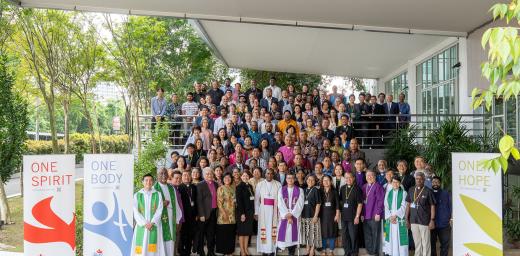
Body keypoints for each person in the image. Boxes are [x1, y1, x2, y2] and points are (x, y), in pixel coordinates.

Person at [131, 174, 165, 256]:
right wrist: (145, 223)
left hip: (154, 226)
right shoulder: (137, 195)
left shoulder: (158, 194)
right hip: (142, 226)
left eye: (150, 180)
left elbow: (159, 209)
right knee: (141, 247)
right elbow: (135, 211)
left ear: (153, 182)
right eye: (146, 180)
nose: (148, 182)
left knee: (153, 248)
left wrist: (152, 222)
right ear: (142, 182)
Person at [154, 168, 183, 256]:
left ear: (168, 176)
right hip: (158, 220)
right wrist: (161, 204)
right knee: (160, 242)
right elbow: (149, 207)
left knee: (170, 242)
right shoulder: (153, 188)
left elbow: (176, 205)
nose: (163, 175)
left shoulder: (172, 188)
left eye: (165, 173)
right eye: (161, 173)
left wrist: (178, 219)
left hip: (170, 218)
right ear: (157, 175)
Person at [406, 172, 436, 256]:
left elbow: (432, 206)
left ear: (424, 180)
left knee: (425, 243)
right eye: (417, 178)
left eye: (421, 179)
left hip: (424, 220)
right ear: (415, 179)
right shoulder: (411, 189)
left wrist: (432, 220)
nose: (419, 180)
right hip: (413, 220)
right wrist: (406, 219)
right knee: (417, 242)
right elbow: (408, 205)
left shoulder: (428, 191)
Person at [255, 168, 282, 256]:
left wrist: (280, 213)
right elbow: (256, 200)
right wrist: (256, 212)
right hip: (263, 211)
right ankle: (264, 250)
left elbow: (280, 200)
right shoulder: (260, 184)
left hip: (274, 211)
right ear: (265, 174)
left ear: (273, 175)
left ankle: (272, 249)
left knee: (273, 230)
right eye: (267, 173)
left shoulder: (278, 184)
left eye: (271, 173)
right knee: (264, 230)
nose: (269, 175)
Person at [277, 173, 304, 256]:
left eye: (292, 178)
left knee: (293, 234)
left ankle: (291, 251)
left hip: (294, 216)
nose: (290, 180)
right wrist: (287, 214)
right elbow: (280, 203)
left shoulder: (300, 190)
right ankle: (281, 247)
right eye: (288, 178)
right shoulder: (281, 190)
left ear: (294, 179)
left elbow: (300, 203)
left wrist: (292, 214)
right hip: (284, 216)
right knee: (284, 232)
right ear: (286, 179)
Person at [383, 176, 409, 256]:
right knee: (391, 238)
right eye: (393, 182)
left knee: (400, 239)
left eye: (397, 182)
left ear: (400, 183)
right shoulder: (388, 193)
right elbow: (386, 206)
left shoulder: (404, 193)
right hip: (390, 219)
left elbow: (404, 206)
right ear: (392, 183)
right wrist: (390, 217)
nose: (395, 184)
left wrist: (395, 216)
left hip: (399, 219)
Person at [196, 168, 219, 256]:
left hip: (213, 212)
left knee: (211, 234)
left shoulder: (216, 184)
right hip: (204, 214)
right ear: (204, 175)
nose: (209, 175)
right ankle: (201, 252)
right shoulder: (200, 185)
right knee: (201, 234)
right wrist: (201, 214)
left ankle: (211, 252)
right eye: (207, 174)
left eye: (211, 173)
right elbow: (199, 200)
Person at [340, 172, 363, 256]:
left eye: (350, 177)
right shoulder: (342, 188)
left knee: (353, 236)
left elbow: (360, 204)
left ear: (353, 178)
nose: (348, 179)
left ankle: (354, 252)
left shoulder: (357, 189)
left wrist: (357, 216)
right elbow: (341, 201)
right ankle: (347, 252)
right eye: (346, 178)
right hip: (344, 217)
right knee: (345, 236)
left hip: (353, 217)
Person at [362, 169, 385, 256]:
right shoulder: (364, 187)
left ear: (375, 177)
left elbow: (381, 201)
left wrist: (378, 213)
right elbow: (362, 201)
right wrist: (362, 214)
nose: (369, 177)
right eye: (368, 175)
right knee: (367, 235)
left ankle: (375, 253)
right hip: (365, 215)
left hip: (374, 215)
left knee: (375, 235)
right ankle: (369, 252)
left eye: (371, 175)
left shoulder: (378, 186)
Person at [300, 174, 322, 256]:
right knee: (306, 233)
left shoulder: (316, 190)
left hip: (313, 216)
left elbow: (318, 204)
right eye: (309, 179)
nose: (310, 181)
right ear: (306, 180)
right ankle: (307, 250)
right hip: (304, 215)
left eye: (312, 180)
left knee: (313, 234)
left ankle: (312, 251)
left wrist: (316, 216)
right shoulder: (304, 190)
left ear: (315, 181)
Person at [216, 173, 237, 256]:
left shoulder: (233, 188)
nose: (227, 179)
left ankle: (230, 252)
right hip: (223, 214)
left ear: (231, 179)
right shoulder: (221, 188)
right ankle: (224, 252)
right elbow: (219, 203)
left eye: (229, 177)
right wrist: (224, 213)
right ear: (223, 179)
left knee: (231, 234)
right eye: (225, 178)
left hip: (232, 214)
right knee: (224, 234)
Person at [430, 176, 451, 256]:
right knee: (432, 245)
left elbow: (451, 206)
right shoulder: (428, 192)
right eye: (433, 182)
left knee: (445, 245)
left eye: (437, 182)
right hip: (432, 224)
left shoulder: (446, 193)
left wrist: (451, 218)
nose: (435, 184)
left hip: (444, 224)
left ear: (440, 183)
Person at [178, 170, 197, 256]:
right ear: (182, 177)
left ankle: (188, 251)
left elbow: (196, 201)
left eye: (188, 175)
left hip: (192, 216)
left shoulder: (194, 187)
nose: (187, 177)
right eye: (185, 175)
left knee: (190, 234)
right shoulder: (179, 187)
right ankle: (182, 252)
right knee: (183, 235)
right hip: (183, 215)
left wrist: (197, 214)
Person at [236, 171, 255, 256]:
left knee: (247, 232)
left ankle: (246, 249)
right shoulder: (239, 187)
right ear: (241, 177)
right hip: (242, 212)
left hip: (249, 212)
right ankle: (242, 251)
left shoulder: (250, 186)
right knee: (242, 232)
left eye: (247, 176)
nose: (245, 177)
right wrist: (242, 214)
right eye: (244, 176)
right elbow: (239, 201)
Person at [320, 175, 340, 256]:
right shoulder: (320, 191)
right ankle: (324, 250)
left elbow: (338, 205)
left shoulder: (334, 192)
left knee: (332, 233)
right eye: (324, 180)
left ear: (331, 181)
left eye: (328, 180)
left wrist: (337, 214)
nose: (326, 182)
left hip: (332, 215)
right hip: (322, 216)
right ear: (322, 182)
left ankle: (331, 251)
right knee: (323, 233)